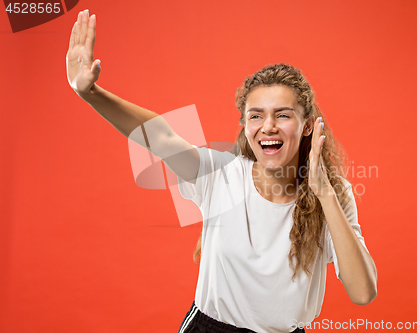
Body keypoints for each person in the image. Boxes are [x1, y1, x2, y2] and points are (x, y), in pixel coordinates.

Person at [66, 9, 377, 333]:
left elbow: (363, 292)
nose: (267, 126)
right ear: (245, 125)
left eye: (282, 115)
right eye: (256, 116)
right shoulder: (221, 173)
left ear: (308, 125)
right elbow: (161, 136)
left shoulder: (334, 191)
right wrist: (90, 93)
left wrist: (324, 193)